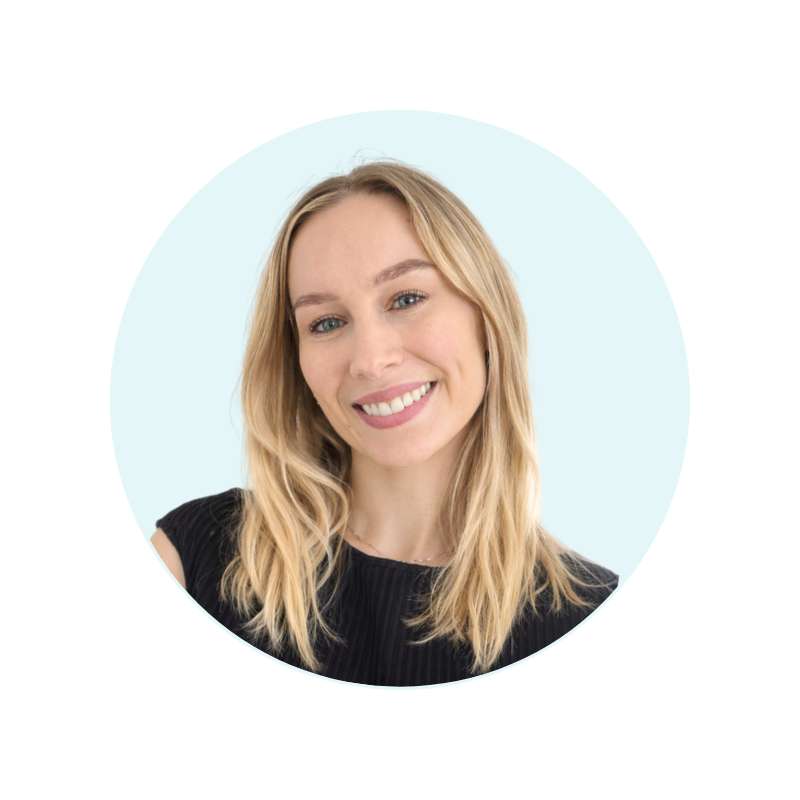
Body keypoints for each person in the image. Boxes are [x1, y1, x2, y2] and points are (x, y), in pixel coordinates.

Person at [151, 159, 619, 686]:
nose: (370, 359)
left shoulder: (595, 620)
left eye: (406, 299)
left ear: (485, 319)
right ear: (296, 362)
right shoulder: (195, 558)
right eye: (326, 322)